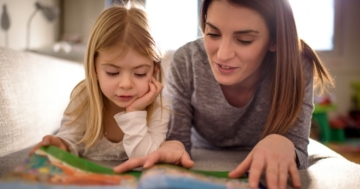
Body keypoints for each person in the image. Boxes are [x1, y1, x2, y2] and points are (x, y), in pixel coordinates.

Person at [114, 0, 334, 188]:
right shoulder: (187, 61)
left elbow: (299, 151)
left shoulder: (298, 65)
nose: (223, 54)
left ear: (274, 40)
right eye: (213, 33)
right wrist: (173, 147)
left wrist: (285, 145)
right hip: (202, 149)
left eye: (244, 40)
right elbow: (176, 141)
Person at [29, 3, 170, 162]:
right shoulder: (84, 97)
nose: (125, 84)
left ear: (154, 71)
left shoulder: (160, 107)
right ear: (94, 69)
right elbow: (69, 139)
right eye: (112, 72)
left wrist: (135, 112)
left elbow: (146, 159)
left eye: (140, 73)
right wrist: (62, 144)